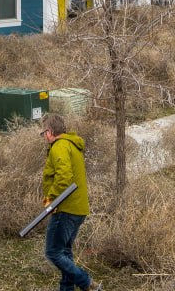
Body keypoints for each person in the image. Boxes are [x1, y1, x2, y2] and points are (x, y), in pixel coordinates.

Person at [40, 114, 100, 291]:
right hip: (78, 208)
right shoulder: (71, 144)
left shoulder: (60, 146)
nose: (43, 137)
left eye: (43, 132)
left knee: (53, 252)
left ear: (50, 131)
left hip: (65, 208)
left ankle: (87, 283)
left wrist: (49, 200)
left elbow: (64, 178)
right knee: (64, 252)